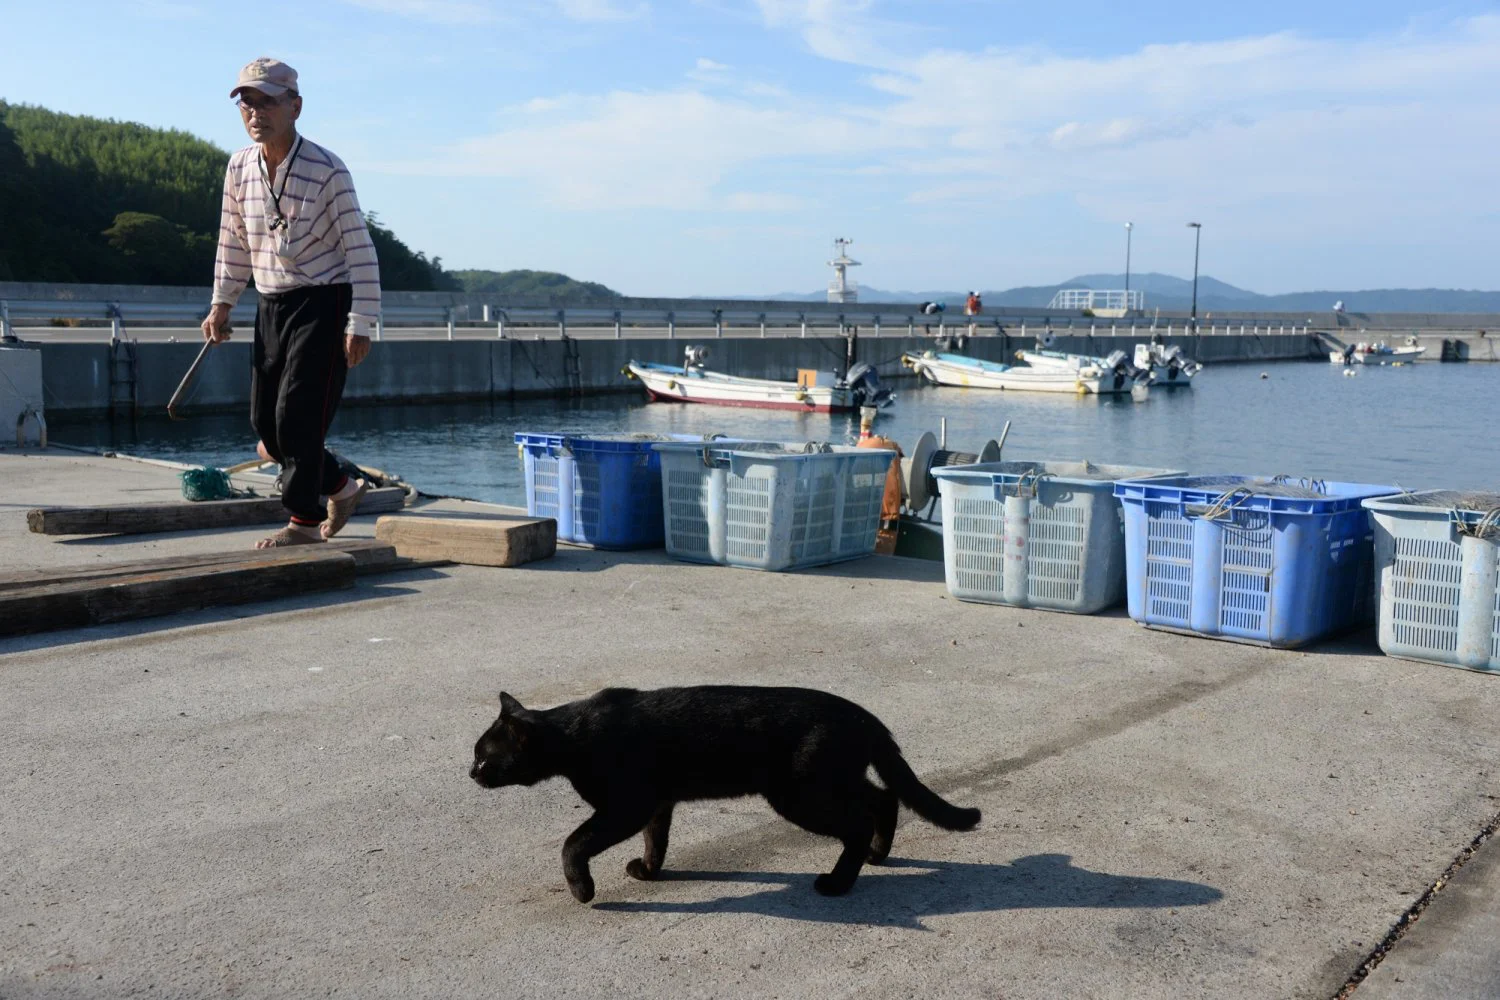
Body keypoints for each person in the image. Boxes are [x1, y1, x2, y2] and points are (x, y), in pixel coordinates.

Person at [201, 58, 381, 549]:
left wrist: (360, 321)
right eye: (247, 103)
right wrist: (222, 304)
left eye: (268, 101)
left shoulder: (328, 170)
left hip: (324, 299)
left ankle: (302, 522)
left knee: (298, 415)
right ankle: (341, 486)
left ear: (295, 106)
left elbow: (360, 250)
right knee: (266, 425)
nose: (255, 112)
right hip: (271, 301)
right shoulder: (239, 167)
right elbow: (232, 242)